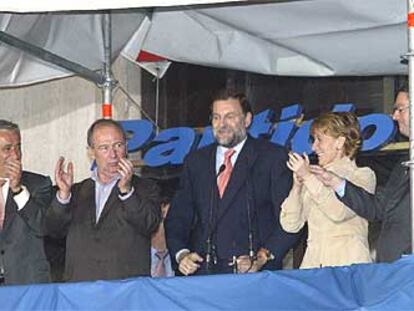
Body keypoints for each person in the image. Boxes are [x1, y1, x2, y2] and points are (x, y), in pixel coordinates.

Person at [165, 89, 301, 276]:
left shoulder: (272, 158)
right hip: (202, 276)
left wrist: (263, 257)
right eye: (216, 117)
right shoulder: (196, 161)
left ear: (247, 120)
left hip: (252, 275)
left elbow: (291, 220)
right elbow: (178, 217)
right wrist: (182, 254)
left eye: (230, 117)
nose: (222, 124)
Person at [46, 119, 161, 282]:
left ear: (126, 148)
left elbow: (150, 224)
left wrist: (127, 192)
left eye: (118, 145)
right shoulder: (76, 191)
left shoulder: (145, 188)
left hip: (126, 292)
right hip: (80, 291)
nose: (113, 155)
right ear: (91, 152)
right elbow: (53, 231)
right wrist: (63, 195)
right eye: (104, 148)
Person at [310, 85, 411, 263]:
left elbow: (338, 213)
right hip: (395, 269)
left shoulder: (364, 174)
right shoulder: (403, 164)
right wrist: (336, 183)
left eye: (399, 109)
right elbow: (379, 208)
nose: (394, 116)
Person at [280, 112, 376, 268]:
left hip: (348, 267)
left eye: (320, 140)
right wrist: (297, 186)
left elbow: (338, 212)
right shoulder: (312, 177)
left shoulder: (362, 175)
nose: (313, 147)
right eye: (313, 140)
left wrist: (308, 178)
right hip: (314, 268)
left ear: (340, 142)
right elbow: (290, 225)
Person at [0, 120, 52, 285]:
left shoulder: (38, 184)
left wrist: (18, 190)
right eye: (7, 149)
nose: (15, 155)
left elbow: (44, 227)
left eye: (18, 147)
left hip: (25, 286)